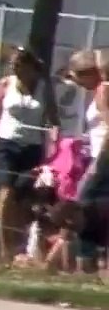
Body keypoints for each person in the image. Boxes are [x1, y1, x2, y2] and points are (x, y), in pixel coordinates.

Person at [0, 46, 58, 263]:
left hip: (32, 148)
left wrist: (54, 143)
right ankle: (4, 251)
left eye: (19, 65)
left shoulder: (44, 88)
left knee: (23, 199)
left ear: (31, 66)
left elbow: (53, 119)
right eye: (12, 65)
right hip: (6, 144)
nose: (15, 69)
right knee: (6, 193)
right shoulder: (5, 84)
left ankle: (19, 246)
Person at [63, 49, 109, 272]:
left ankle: (85, 265)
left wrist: (96, 165)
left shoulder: (103, 91)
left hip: (104, 160)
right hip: (101, 157)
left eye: (78, 78)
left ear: (90, 73)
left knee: (83, 211)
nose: (78, 84)